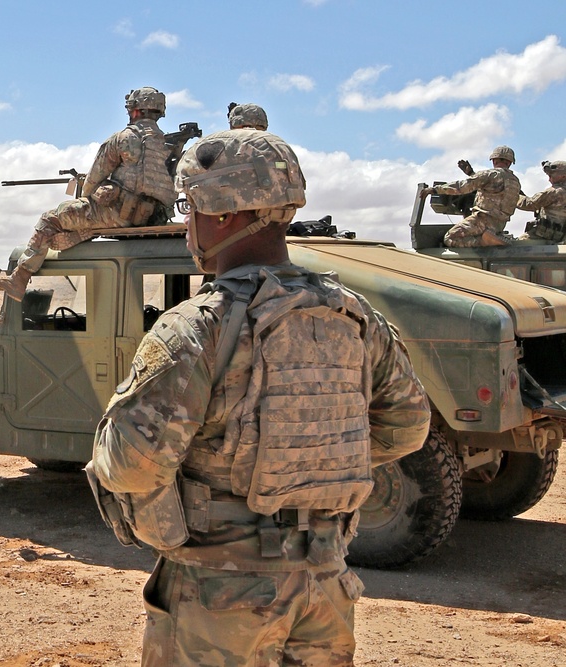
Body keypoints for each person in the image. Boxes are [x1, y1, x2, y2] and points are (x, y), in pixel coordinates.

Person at [86, 129, 431, 666]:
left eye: (190, 207)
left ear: (222, 215)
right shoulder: (353, 315)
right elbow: (407, 426)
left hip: (221, 596)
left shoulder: (195, 329)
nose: (185, 225)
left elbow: (133, 465)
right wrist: (307, 463)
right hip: (325, 583)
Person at [0, 87, 178, 301]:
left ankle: (18, 279)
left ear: (133, 111)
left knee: (50, 219)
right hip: (152, 217)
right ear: (160, 112)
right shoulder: (167, 144)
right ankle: (80, 238)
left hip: (119, 216)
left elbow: (92, 182)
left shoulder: (123, 138)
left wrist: (91, 190)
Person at [420, 145, 521, 247]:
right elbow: (493, 189)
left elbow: (462, 187)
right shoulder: (515, 182)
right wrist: (471, 173)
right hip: (498, 226)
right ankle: (489, 240)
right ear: (510, 163)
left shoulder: (490, 174)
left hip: (482, 221)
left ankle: (483, 242)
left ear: (494, 160)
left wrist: (435, 189)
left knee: (450, 238)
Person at [517, 160, 566, 243]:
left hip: (542, 236)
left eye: (552, 175)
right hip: (559, 238)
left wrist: (513, 195)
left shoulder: (555, 192)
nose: (549, 179)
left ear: (564, 176)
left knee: (515, 246)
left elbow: (529, 204)